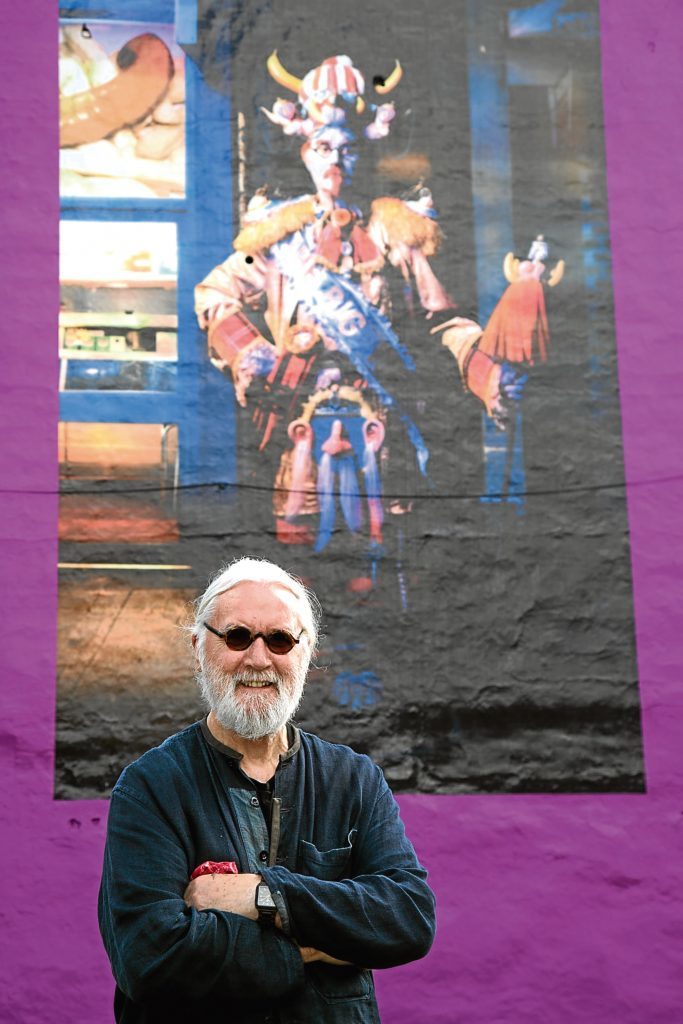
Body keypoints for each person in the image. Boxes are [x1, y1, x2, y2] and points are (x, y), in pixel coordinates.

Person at [98, 556, 436, 1023]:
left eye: (279, 639)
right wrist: (313, 949)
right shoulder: (151, 787)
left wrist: (261, 895)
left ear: (306, 652)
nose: (258, 658)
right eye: (237, 636)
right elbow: (150, 958)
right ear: (199, 647)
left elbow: (408, 918)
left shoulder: (353, 779)